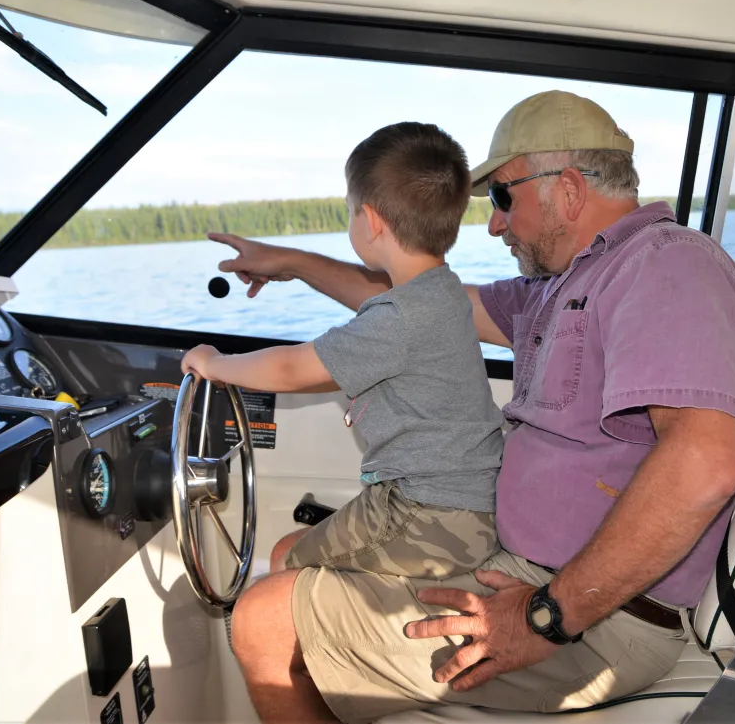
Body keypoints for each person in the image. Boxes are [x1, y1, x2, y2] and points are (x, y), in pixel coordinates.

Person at [218, 90, 735, 723]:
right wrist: (292, 262)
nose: (494, 224)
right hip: (519, 568)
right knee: (290, 549)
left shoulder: (668, 269)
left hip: (593, 617)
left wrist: (547, 616)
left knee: (262, 620)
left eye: (502, 196)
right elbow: (424, 308)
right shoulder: (563, 284)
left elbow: (703, 463)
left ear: (567, 189)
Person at [182, 121, 505, 581]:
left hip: (429, 514)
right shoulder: (444, 292)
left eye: (351, 211)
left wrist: (215, 365)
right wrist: (289, 261)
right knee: (287, 546)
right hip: (464, 504)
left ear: (371, 221)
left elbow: (294, 369)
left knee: (283, 568)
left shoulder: (399, 317)